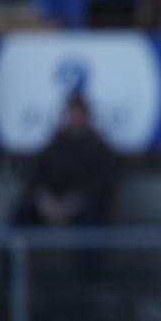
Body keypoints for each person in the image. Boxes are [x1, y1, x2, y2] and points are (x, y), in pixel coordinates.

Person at [13, 92, 119, 227]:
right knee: (21, 212)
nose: (75, 118)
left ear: (87, 116)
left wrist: (74, 203)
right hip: (50, 203)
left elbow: (102, 183)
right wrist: (44, 200)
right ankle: (13, 248)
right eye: (72, 113)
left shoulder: (99, 148)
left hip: (82, 206)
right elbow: (34, 174)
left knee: (92, 217)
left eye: (79, 113)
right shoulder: (54, 144)